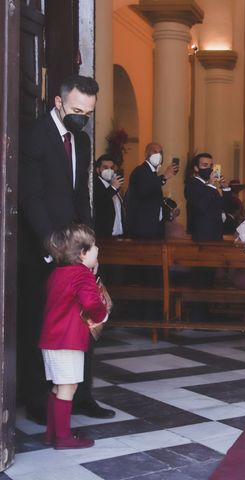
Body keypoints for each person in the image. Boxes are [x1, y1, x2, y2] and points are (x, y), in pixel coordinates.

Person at [18, 74, 114, 423]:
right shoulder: (34, 136)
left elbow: (80, 195)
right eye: (76, 110)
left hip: (76, 249)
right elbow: (32, 198)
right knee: (40, 325)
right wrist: (54, 245)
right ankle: (37, 401)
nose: (82, 118)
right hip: (42, 247)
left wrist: (88, 244)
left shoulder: (83, 140)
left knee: (84, 320)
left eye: (88, 113)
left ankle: (82, 394)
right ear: (59, 103)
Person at [39, 224, 109, 449]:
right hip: (68, 340)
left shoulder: (58, 272)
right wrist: (102, 312)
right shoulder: (81, 274)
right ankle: (63, 438)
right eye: (95, 246)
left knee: (58, 386)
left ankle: (52, 433)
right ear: (83, 253)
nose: (98, 250)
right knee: (68, 387)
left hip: (51, 339)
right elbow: (91, 304)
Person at [124, 142, 178, 239]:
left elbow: (154, 199)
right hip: (143, 229)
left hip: (155, 228)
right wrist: (163, 177)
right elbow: (144, 190)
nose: (158, 155)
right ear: (146, 154)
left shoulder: (153, 174)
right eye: (155, 152)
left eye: (160, 152)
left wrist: (168, 213)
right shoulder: (140, 171)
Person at [184, 152, 232, 241]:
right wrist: (210, 185)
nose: (209, 169)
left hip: (216, 234)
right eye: (205, 165)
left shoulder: (211, 187)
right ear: (196, 168)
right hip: (201, 236)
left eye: (210, 166)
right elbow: (200, 207)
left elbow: (225, 207)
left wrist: (225, 188)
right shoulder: (192, 185)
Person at [93, 154, 124, 238]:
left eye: (112, 168)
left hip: (117, 235)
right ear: (98, 170)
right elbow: (100, 202)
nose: (109, 170)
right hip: (103, 236)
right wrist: (113, 188)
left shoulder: (113, 186)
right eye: (105, 167)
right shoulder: (95, 186)